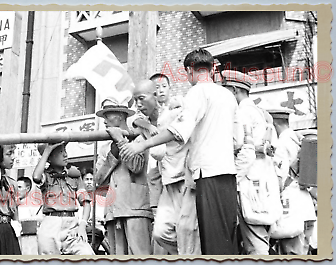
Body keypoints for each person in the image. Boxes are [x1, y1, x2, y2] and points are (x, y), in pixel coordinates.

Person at [120, 48, 242, 255]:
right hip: (228, 173)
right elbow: (237, 140)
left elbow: (179, 131)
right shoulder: (228, 96)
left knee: (204, 238)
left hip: (206, 173)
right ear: (212, 69)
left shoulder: (195, 93)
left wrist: (141, 145)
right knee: (223, 236)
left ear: (189, 71)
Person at [132, 80, 200, 255]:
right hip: (168, 183)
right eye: (136, 100)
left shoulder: (176, 109)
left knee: (188, 232)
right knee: (161, 233)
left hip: (186, 181)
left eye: (141, 98)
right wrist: (146, 126)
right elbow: (135, 121)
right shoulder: (145, 121)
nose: (138, 104)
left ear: (156, 95)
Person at [222, 70, 280, 255]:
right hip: (263, 183)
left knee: (255, 245)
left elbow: (246, 151)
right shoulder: (259, 113)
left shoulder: (242, 113)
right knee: (260, 239)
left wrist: (232, 179)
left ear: (233, 90)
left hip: (249, 183)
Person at [94, 99, 153, 255]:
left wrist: (120, 141)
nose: (105, 120)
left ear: (120, 115)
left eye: (108, 115)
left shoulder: (139, 138)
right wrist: (112, 153)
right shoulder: (105, 147)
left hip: (136, 208)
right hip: (113, 210)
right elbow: (98, 180)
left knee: (141, 255)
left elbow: (136, 166)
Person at [268, 108, 317, 255]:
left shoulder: (282, 144)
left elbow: (279, 177)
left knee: (291, 254)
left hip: (291, 206)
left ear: (274, 124)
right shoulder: (299, 139)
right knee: (304, 252)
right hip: (306, 206)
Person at [32, 142, 95, 255]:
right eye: (60, 152)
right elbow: (36, 177)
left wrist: (82, 225)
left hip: (72, 225)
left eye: (65, 151)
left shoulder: (74, 175)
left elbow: (86, 203)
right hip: (51, 224)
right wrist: (47, 150)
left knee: (87, 254)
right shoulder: (45, 176)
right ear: (50, 158)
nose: (65, 155)